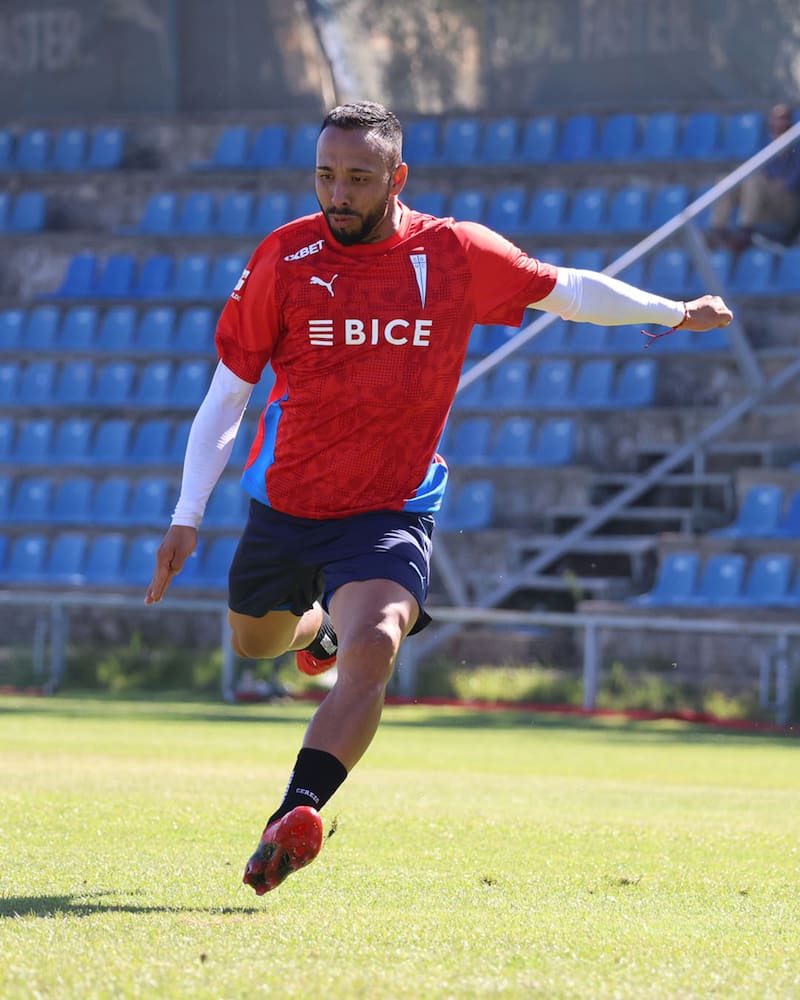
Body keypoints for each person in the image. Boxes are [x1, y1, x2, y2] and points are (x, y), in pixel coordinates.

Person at [145, 101, 733, 895]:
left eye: (358, 178)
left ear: (397, 177)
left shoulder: (452, 252)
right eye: (326, 176)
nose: (338, 194)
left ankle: (294, 815)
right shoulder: (284, 258)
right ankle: (316, 634)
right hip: (287, 506)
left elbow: (568, 291)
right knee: (257, 643)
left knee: (378, 644)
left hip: (391, 507)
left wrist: (674, 312)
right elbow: (228, 396)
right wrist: (187, 516)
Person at [710, 103, 800, 251]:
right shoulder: (765, 144)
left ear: (790, 122)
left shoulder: (797, 145)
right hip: (765, 200)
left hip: (788, 203)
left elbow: (793, 181)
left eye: (783, 118)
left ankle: (746, 229)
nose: (779, 123)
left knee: (753, 179)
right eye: (776, 119)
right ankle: (718, 230)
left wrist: (775, 182)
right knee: (725, 180)